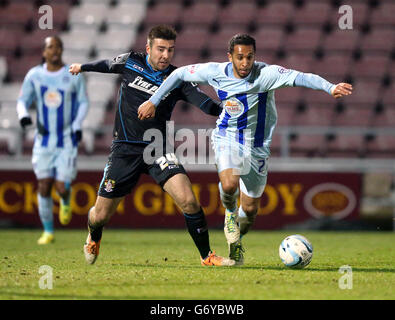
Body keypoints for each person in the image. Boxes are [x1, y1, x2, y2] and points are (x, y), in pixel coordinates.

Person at [138, 34, 353, 265]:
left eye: (249, 57)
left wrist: (330, 87)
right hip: (227, 137)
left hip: (258, 147)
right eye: (239, 57)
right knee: (229, 184)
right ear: (229, 56)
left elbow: (301, 77)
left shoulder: (267, 74)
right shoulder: (215, 72)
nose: (244, 63)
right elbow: (179, 73)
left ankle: (236, 241)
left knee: (249, 212)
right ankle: (230, 213)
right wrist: (154, 100)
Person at [68, 25, 235, 267]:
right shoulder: (131, 62)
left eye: (170, 50)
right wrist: (82, 67)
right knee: (100, 214)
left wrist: (226, 110)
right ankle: (94, 235)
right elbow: (106, 64)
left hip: (158, 149)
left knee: (189, 200)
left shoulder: (178, 78)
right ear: (148, 48)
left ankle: (207, 256)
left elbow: (204, 103)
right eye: (160, 49)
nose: (166, 55)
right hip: (124, 150)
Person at [17, 36, 89, 244]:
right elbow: (23, 99)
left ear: (62, 50)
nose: (54, 50)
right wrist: (23, 115)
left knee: (59, 187)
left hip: (66, 140)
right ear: (44, 52)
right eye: (50, 47)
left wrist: (77, 125)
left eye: (58, 47)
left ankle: (65, 198)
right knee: (43, 186)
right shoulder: (35, 75)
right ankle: (48, 231)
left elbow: (83, 102)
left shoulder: (73, 75)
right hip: (43, 140)